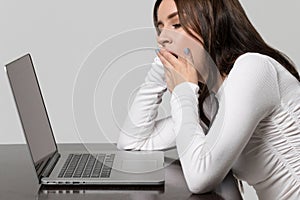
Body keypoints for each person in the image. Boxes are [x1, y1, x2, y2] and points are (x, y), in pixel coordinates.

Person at [117, 0, 300, 199]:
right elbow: (133, 140)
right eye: (160, 29)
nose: (163, 38)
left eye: (176, 24)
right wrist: (160, 69)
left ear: (212, 23)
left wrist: (183, 90)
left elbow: (200, 178)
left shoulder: (253, 68)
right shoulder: (212, 103)